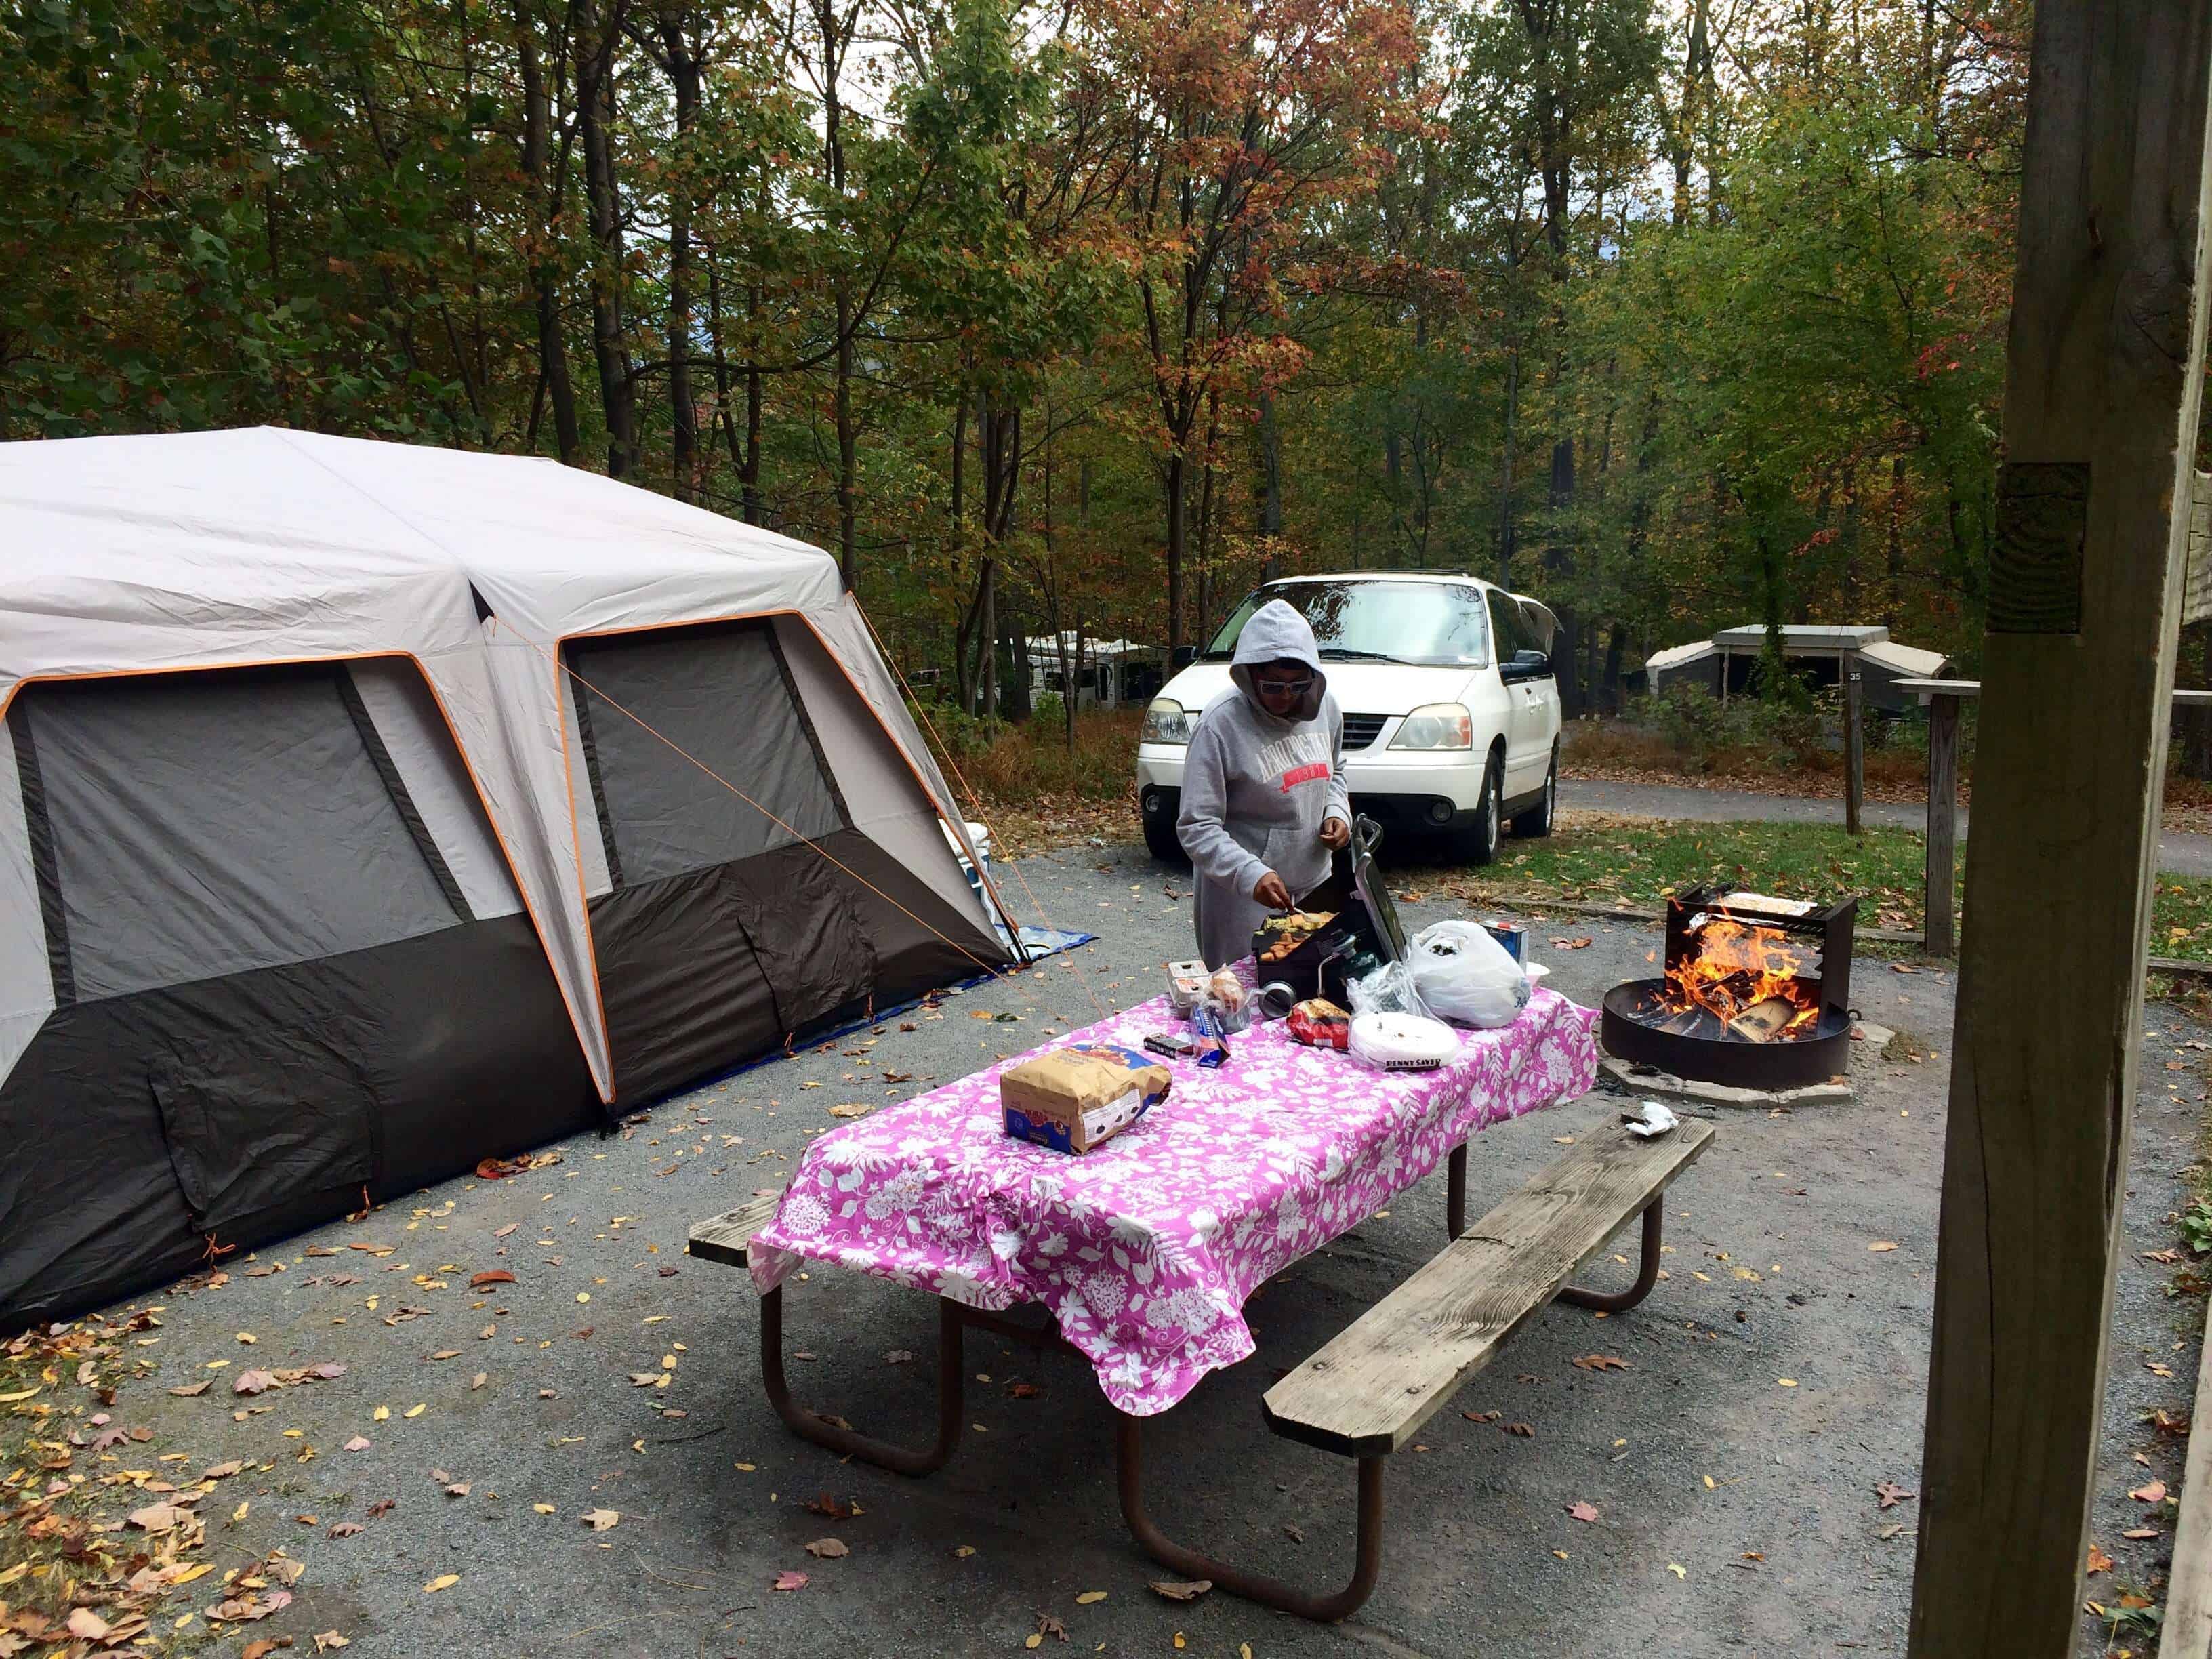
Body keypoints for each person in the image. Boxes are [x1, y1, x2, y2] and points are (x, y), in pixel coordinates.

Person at [1177, 599, 1351, 969]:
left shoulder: (1327, 709)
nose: (1286, 696)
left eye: (1297, 685)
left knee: (1310, 990)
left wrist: (1337, 812)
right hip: (1243, 899)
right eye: (1273, 686)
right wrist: (1250, 873)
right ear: (1250, 675)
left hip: (1314, 884)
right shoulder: (1219, 726)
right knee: (1242, 1003)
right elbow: (1197, 827)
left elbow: (1335, 772)